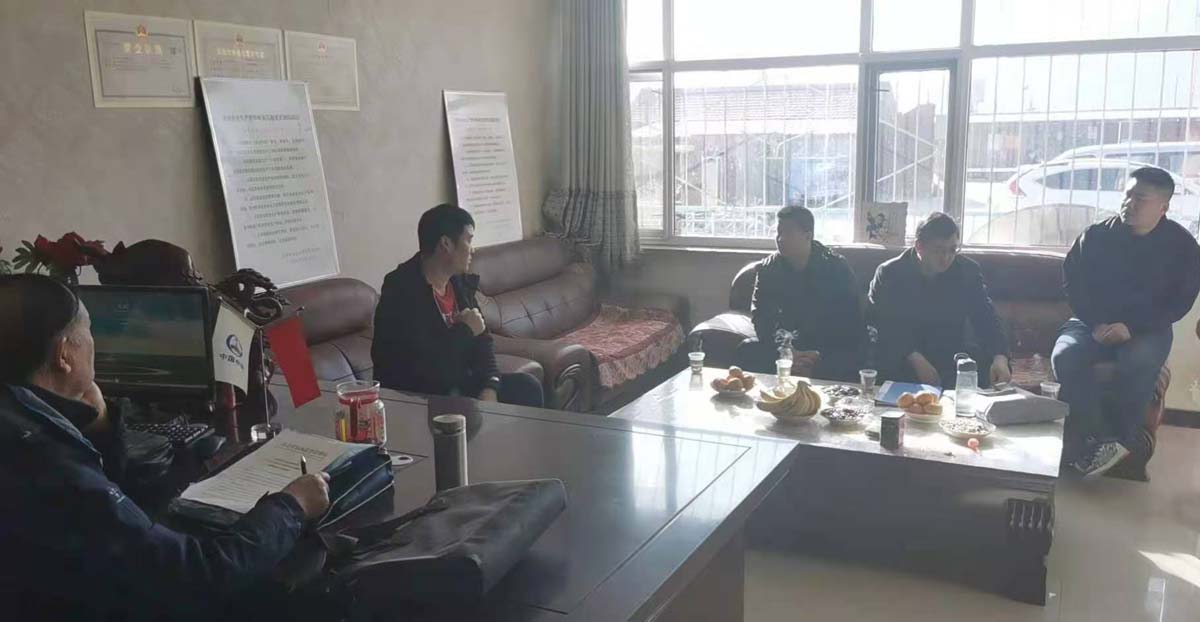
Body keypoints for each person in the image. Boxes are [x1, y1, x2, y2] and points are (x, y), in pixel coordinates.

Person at [0, 274, 331, 622]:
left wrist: (101, 429)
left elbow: (106, 518)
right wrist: (292, 506)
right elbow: (199, 574)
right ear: (65, 354)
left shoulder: (20, 422)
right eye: (89, 331)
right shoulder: (46, 460)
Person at [1052, 166, 1200, 477]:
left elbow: (1180, 302)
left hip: (1147, 328)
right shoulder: (1096, 236)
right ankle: (1096, 438)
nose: (1129, 204)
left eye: (1140, 199)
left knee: (1138, 359)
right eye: (1127, 195)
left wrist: (1132, 328)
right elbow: (1073, 284)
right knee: (1064, 356)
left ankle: (1119, 438)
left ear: (1163, 207)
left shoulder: (1182, 247)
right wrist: (1095, 324)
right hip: (1091, 324)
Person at [372, 204, 544, 407]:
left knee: (527, 387)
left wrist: (490, 387)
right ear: (445, 243)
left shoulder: (458, 283)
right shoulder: (402, 291)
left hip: (457, 383)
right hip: (419, 396)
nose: (473, 249)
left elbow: (483, 341)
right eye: (468, 240)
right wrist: (464, 330)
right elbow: (427, 369)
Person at [868, 212, 1011, 389]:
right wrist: (915, 358)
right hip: (902, 353)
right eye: (938, 251)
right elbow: (883, 324)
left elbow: (985, 317)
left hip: (948, 353)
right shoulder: (890, 273)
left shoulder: (967, 271)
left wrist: (1000, 357)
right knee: (887, 360)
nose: (946, 258)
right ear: (919, 246)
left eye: (952, 250)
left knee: (983, 367)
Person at [736, 205, 865, 381]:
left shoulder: (836, 267)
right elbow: (761, 317)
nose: (780, 239)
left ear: (807, 236)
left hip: (827, 345)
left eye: (788, 233)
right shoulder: (768, 269)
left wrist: (817, 354)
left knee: (852, 358)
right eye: (778, 233)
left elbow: (851, 320)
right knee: (748, 350)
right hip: (787, 344)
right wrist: (785, 350)